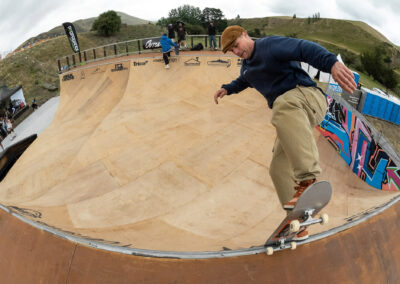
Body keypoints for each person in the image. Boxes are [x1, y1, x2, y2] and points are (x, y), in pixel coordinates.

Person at [213, 26, 356, 241]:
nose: (236, 51)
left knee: (281, 104)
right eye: (231, 50)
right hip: (291, 115)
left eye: (236, 45)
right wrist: (227, 88)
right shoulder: (247, 69)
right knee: (277, 168)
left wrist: (331, 63)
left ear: (244, 34)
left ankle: (307, 179)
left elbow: (303, 48)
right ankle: (298, 220)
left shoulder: (269, 46)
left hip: (308, 98)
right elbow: (244, 81)